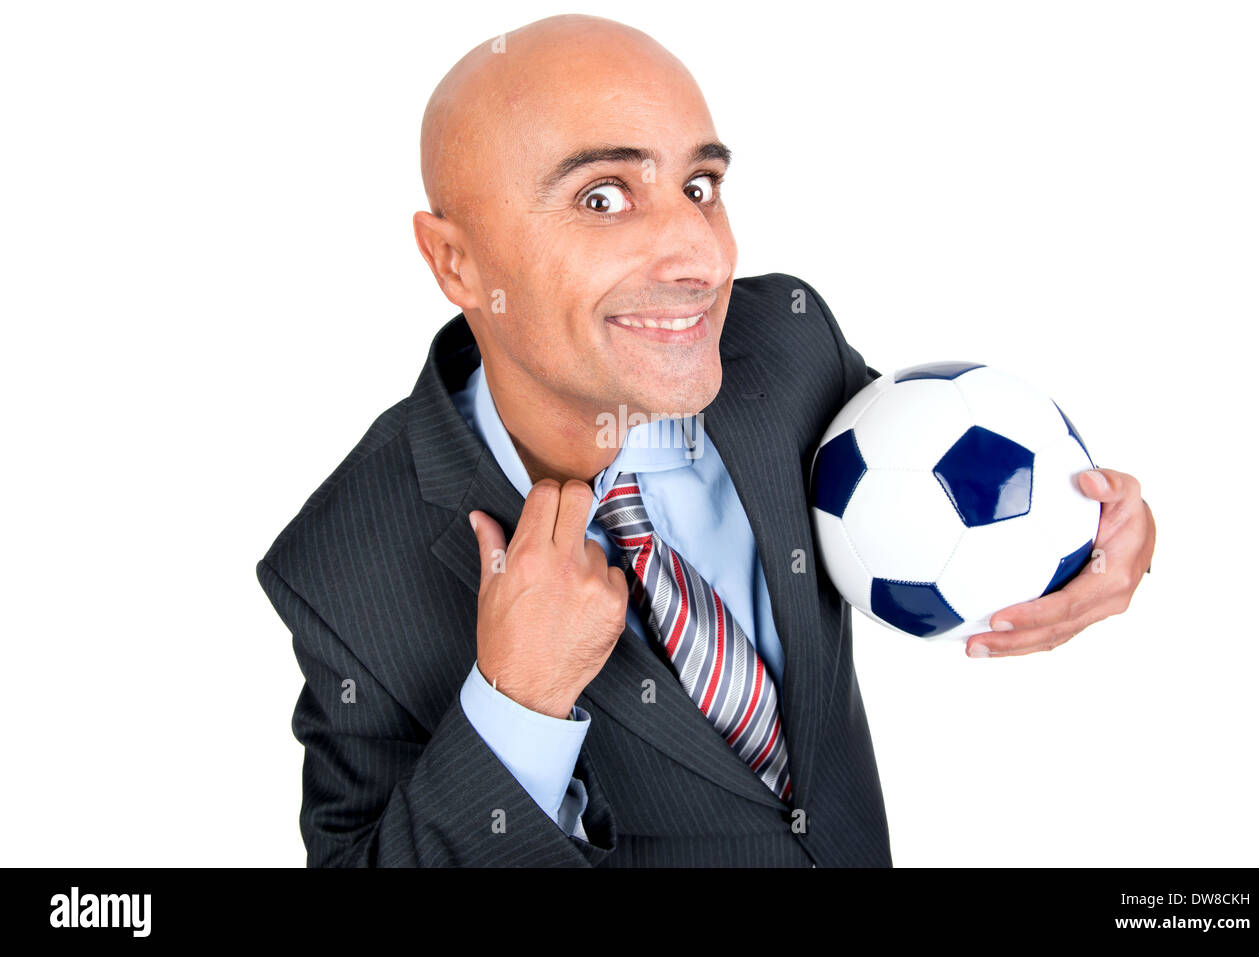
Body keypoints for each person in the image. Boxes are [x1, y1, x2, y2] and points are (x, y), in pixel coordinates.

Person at [255, 13, 1156, 867]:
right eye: (603, 197)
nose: (701, 255)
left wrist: (1099, 537)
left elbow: (950, 475)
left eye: (701, 187)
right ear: (456, 261)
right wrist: (516, 706)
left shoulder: (788, 347)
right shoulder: (344, 567)